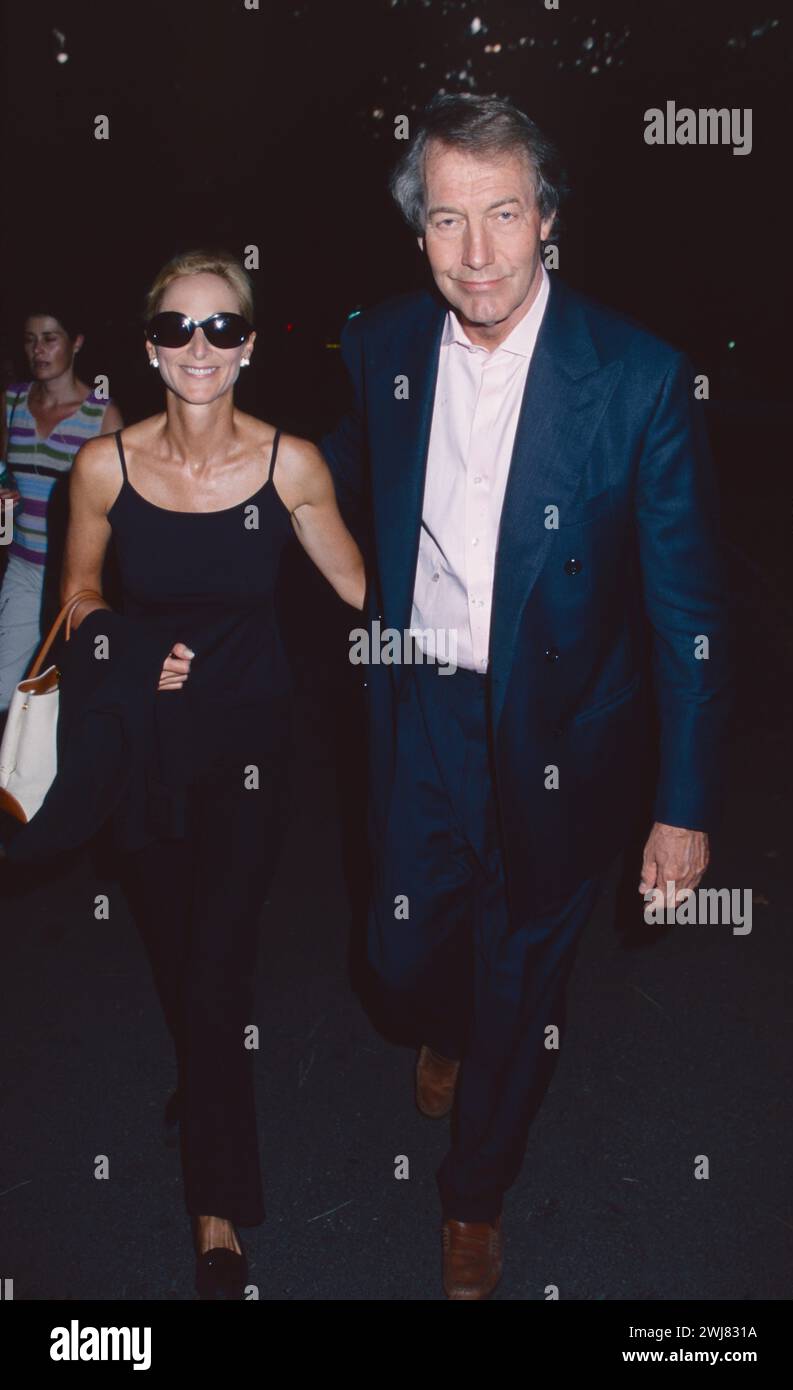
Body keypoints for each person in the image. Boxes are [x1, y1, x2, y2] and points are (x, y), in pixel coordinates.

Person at [320, 93, 732, 1299]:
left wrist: (685, 801)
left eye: (504, 213)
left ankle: (475, 1194)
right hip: (419, 712)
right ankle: (445, 1016)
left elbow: (690, 614)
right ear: (420, 236)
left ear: (547, 216)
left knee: (526, 980)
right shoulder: (381, 344)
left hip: (566, 735)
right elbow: (323, 482)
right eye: (449, 220)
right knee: (396, 958)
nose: (480, 252)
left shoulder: (639, 378)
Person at [58, 248, 364, 1298]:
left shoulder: (292, 465)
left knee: (217, 966)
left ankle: (217, 1211)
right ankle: (205, 1067)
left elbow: (369, 595)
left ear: (247, 346)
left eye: (222, 327)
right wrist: (133, 652)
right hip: (140, 750)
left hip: (247, 753)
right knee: (175, 947)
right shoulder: (106, 466)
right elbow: (79, 601)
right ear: (150, 349)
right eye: (179, 328)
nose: (201, 347)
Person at [0, 305, 123, 725]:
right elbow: (2, 468)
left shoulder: (101, 412)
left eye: (50, 338)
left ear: (77, 343)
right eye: (31, 339)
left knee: (72, 689)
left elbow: (121, 504)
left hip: (77, 576)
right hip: (24, 566)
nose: (38, 349)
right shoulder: (13, 400)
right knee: (6, 688)